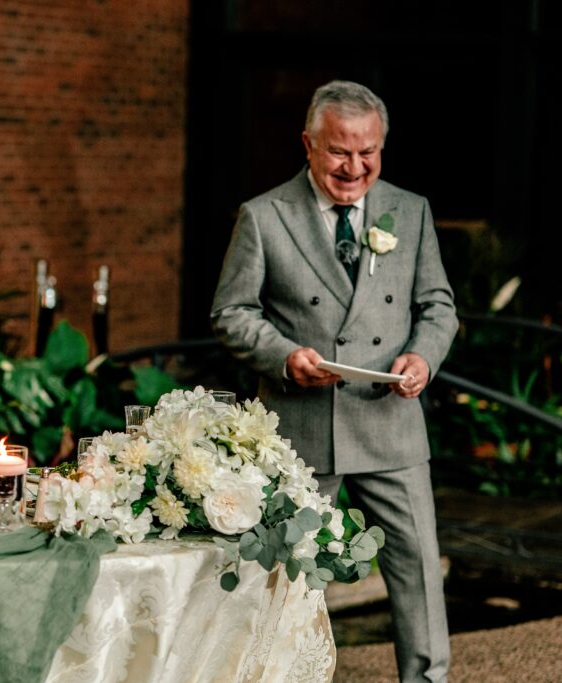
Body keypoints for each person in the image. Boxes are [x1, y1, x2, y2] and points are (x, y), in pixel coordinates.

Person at [211, 80, 457, 683]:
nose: (356, 167)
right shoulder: (265, 216)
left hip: (390, 424)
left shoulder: (411, 210)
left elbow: (438, 306)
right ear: (308, 145)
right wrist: (284, 354)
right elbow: (231, 312)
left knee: (419, 567)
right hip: (299, 426)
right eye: (340, 152)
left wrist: (423, 358)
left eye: (368, 152)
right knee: (281, 573)